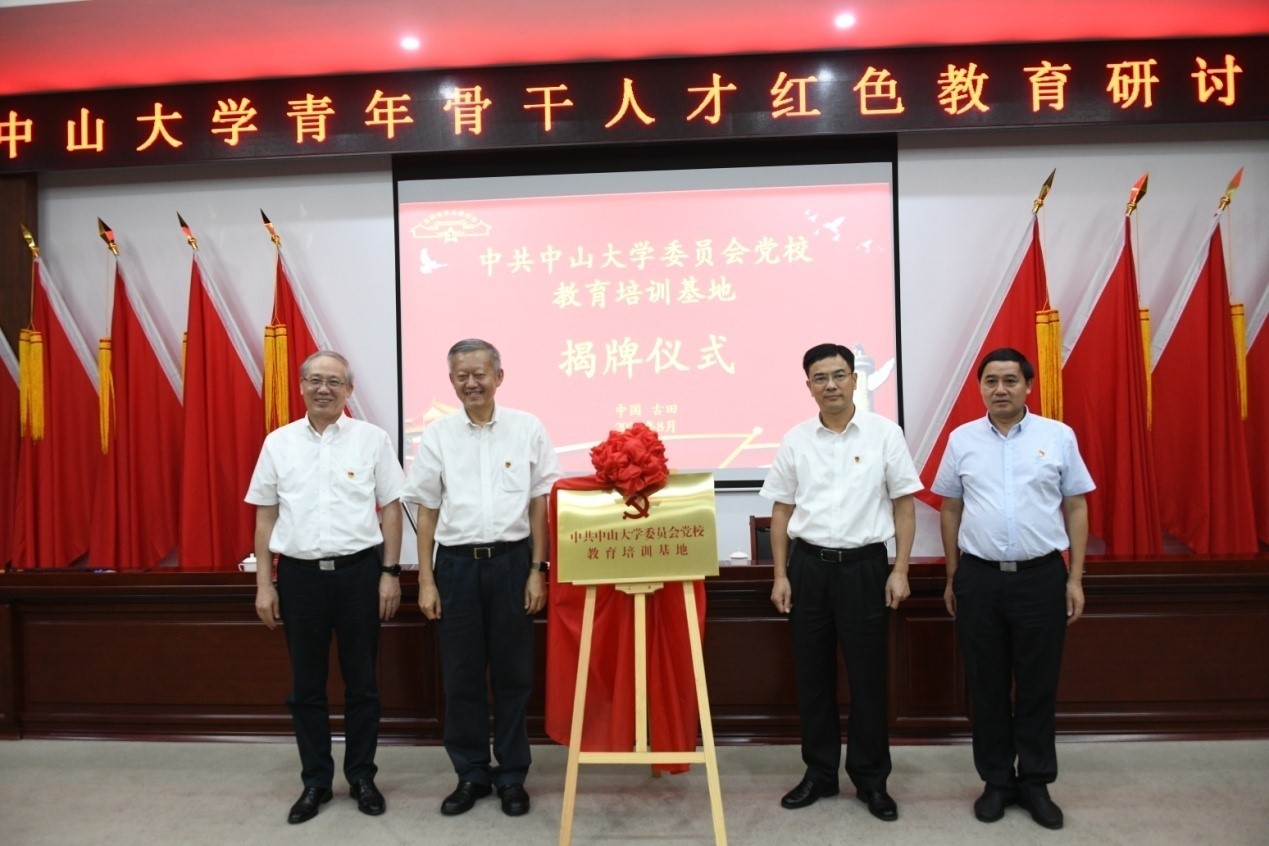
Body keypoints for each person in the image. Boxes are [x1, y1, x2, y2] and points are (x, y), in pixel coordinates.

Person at [933, 347, 1093, 831]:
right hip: (980, 579)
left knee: (1038, 686)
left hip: (1041, 577)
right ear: (980, 387)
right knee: (986, 687)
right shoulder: (962, 440)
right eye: (991, 381)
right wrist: (953, 575)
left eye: (1009, 380)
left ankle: (1036, 781)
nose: (999, 389)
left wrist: (1075, 578)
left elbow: (1076, 506)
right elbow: (950, 508)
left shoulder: (1057, 436)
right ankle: (997, 781)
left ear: (1028, 386)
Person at [761, 342, 921, 822]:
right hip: (808, 569)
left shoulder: (884, 434)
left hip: (864, 569)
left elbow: (904, 506)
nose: (830, 385)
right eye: (820, 378)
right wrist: (780, 575)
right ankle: (820, 774)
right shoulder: (796, 440)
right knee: (812, 677)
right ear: (808, 386)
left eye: (838, 375)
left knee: (868, 679)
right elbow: (781, 512)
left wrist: (900, 569)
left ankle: (871, 780)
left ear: (855, 379)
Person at [403, 338, 561, 818]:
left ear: (498, 376)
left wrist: (537, 570)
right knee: (462, 676)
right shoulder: (437, 436)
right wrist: (426, 580)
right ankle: (471, 773)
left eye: (479, 374)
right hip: (455, 567)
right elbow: (427, 511)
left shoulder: (527, 428)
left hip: (512, 564)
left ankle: (512, 775)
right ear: (452, 381)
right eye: (461, 376)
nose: (471, 383)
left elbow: (538, 504)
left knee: (514, 675)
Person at [246, 350, 405, 825]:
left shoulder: (372, 440)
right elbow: (265, 517)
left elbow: (391, 508)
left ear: (349, 390)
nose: (324, 389)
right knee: (307, 687)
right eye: (315, 380)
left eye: (334, 382)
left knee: (363, 684)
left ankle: (361, 777)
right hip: (299, 578)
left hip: (360, 574)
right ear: (301, 386)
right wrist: (264, 585)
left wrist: (390, 573)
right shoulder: (278, 443)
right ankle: (315, 781)